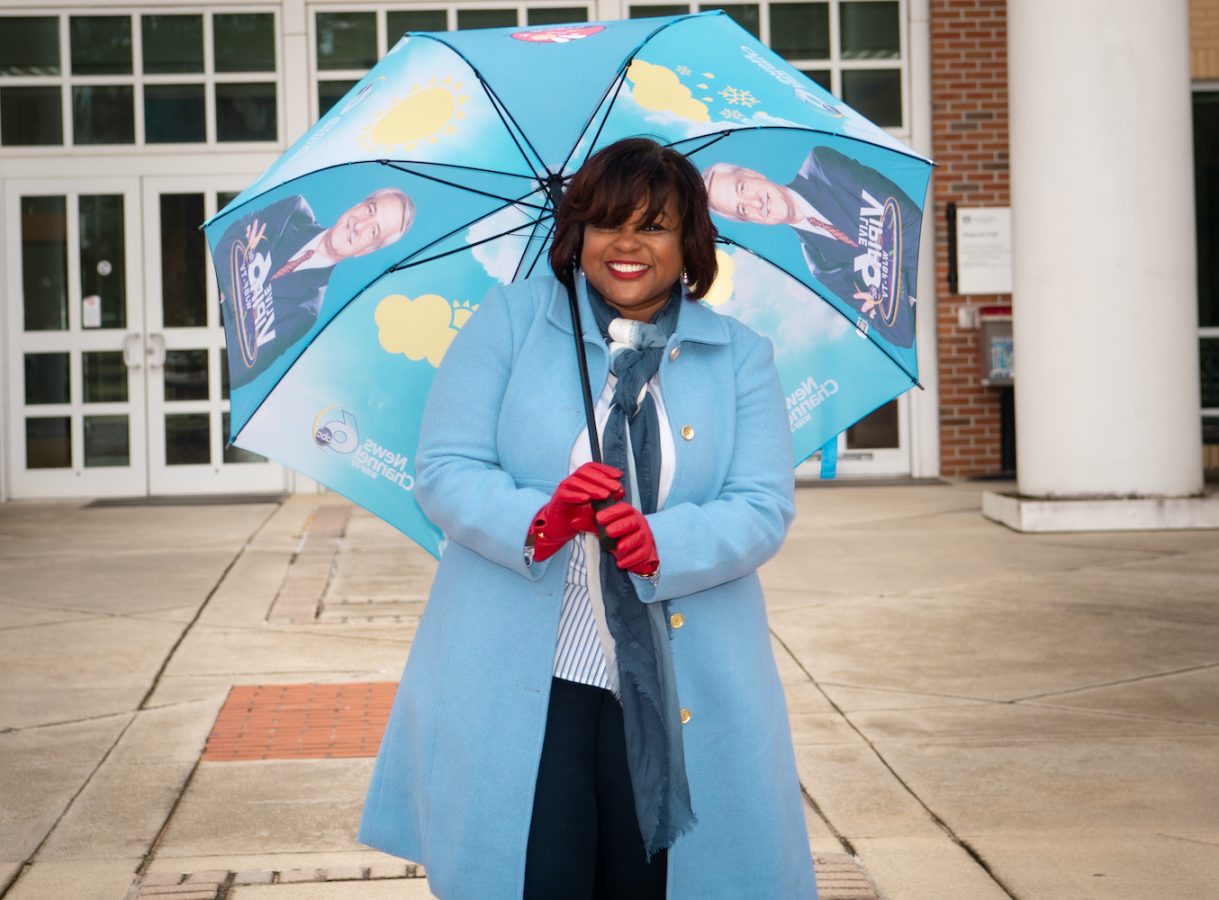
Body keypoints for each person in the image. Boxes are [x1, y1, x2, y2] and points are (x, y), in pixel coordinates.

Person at [358, 138, 816, 899]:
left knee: (654, 883)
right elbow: (444, 470)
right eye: (607, 223)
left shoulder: (738, 355)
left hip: (678, 684)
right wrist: (542, 517)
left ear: (689, 242)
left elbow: (762, 506)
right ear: (577, 235)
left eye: (655, 225)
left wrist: (658, 540)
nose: (628, 244)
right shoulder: (509, 322)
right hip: (529, 674)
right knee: (536, 874)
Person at [703, 146, 922, 348]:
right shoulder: (820, 266)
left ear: (752, 174)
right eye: (742, 210)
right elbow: (899, 335)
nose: (755, 203)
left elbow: (910, 221)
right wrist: (891, 258)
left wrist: (887, 292)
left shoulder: (822, 167)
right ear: (749, 221)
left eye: (743, 188)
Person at [215, 187, 414, 387]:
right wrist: (246, 313)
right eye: (370, 210)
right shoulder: (291, 211)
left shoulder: (306, 312)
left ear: (366, 251)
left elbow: (241, 367)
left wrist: (238, 271)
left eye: (373, 231)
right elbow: (226, 243)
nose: (360, 226)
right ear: (357, 205)